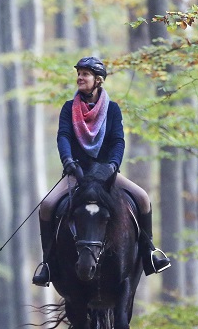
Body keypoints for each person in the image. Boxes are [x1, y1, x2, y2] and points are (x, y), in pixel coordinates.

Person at [32, 56, 170, 286]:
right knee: (47, 205)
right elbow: (63, 136)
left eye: (85, 74)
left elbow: (118, 140)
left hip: (106, 174)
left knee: (143, 199)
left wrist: (113, 165)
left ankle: (149, 254)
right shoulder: (68, 108)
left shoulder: (112, 109)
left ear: (98, 80)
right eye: (79, 73)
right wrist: (68, 161)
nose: (80, 77)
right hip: (77, 173)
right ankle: (48, 264)